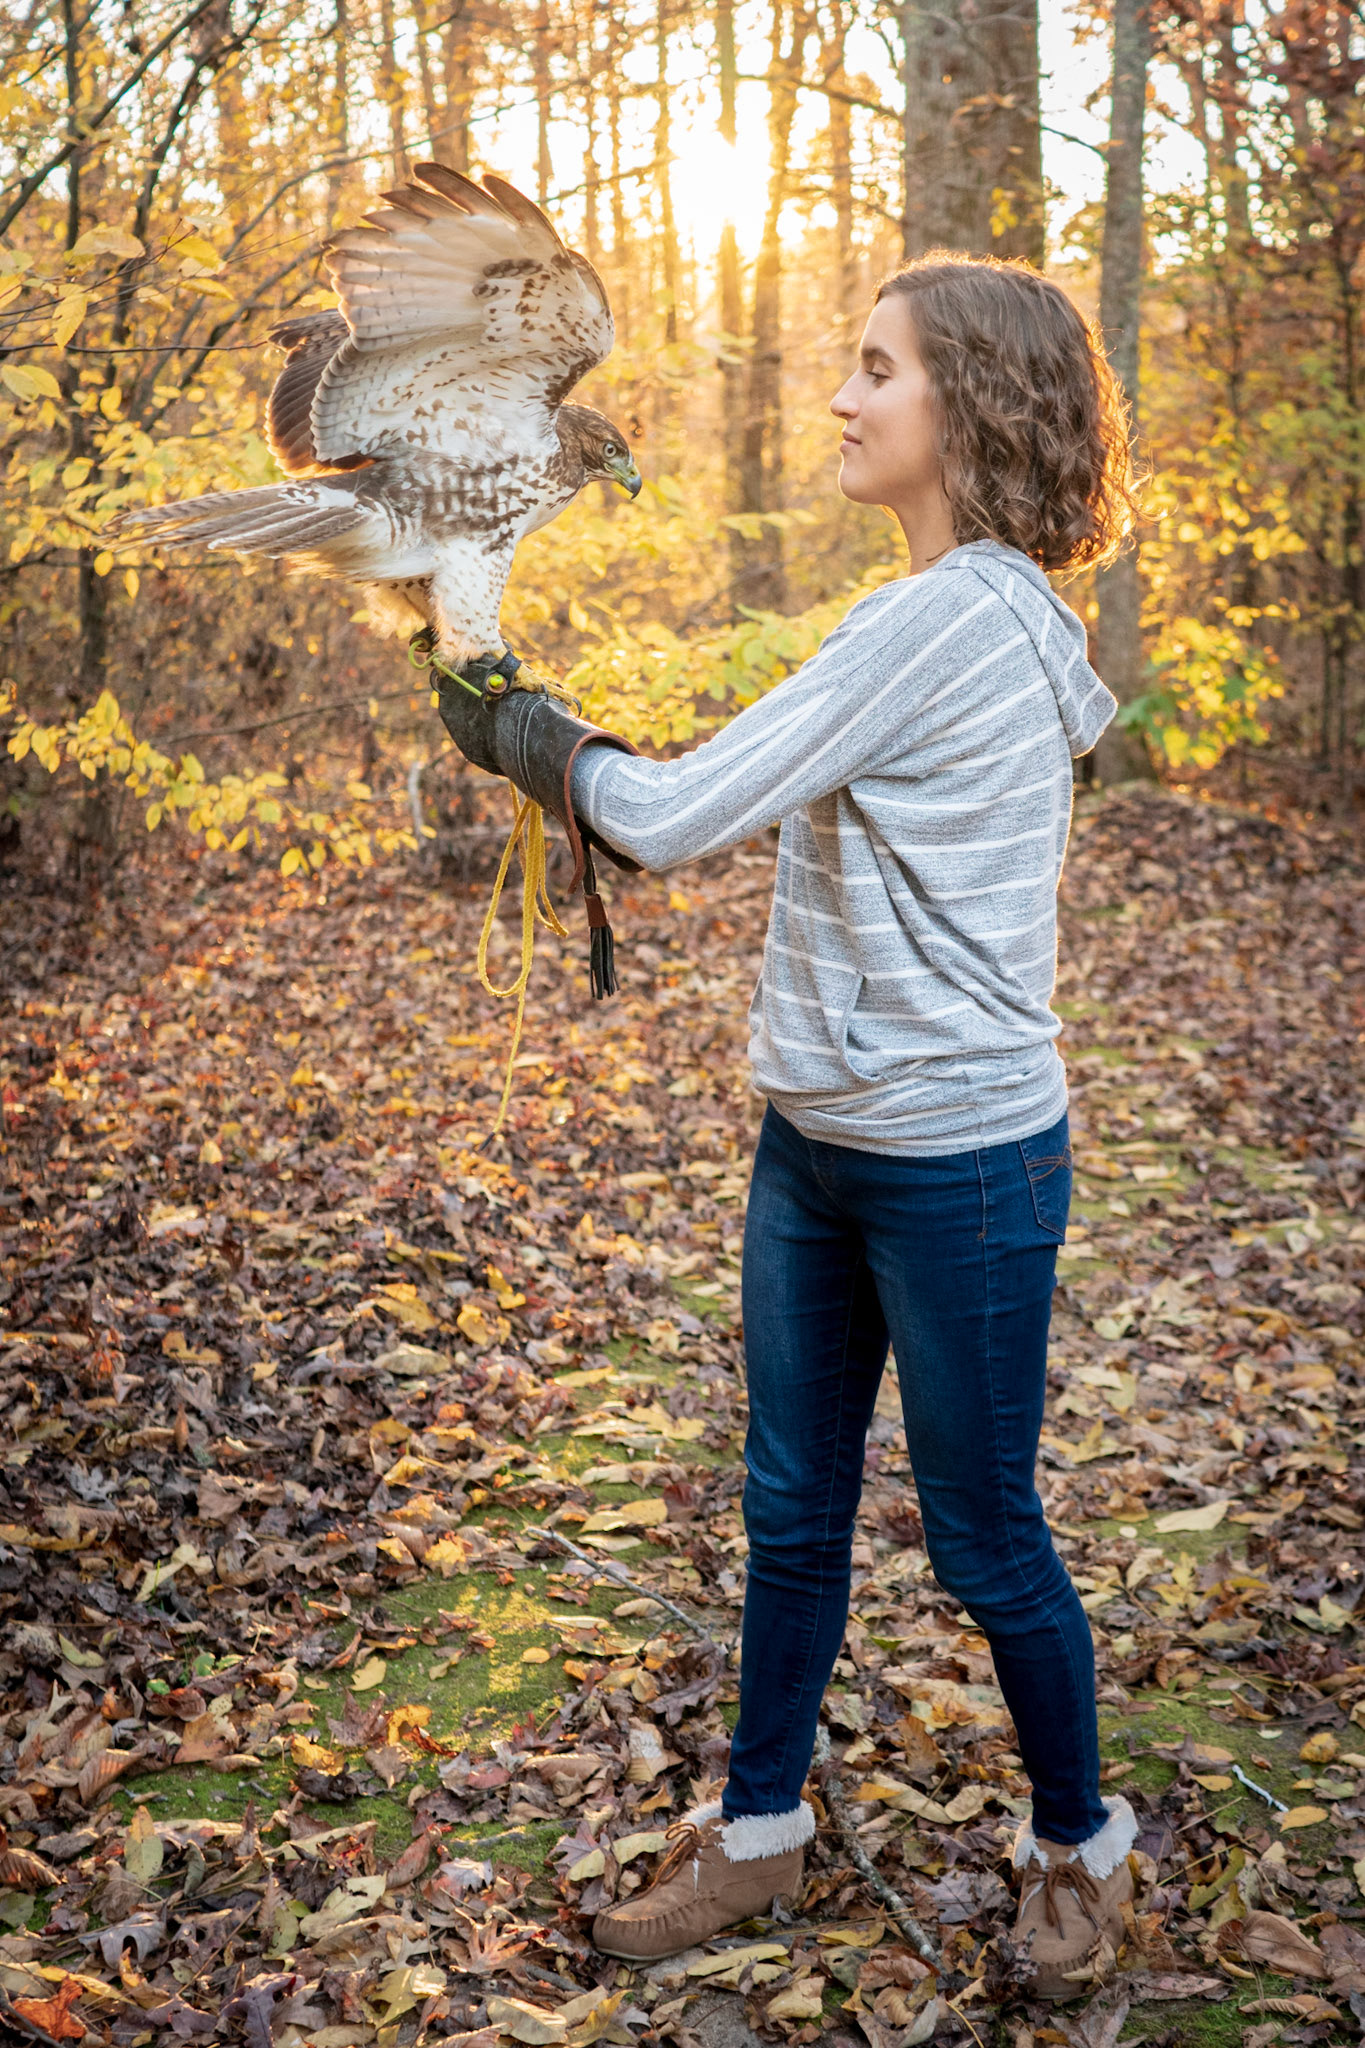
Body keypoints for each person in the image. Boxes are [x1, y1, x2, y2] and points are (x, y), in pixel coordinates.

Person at [436, 251, 1141, 2001]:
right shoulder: (966, 614)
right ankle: (759, 1835)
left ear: (967, 406)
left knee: (982, 1535)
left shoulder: (948, 617)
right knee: (787, 1509)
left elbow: (669, 821)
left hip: (960, 1161)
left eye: (874, 369)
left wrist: (523, 727)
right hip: (813, 1143)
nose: (837, 398)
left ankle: (1081, 1849)